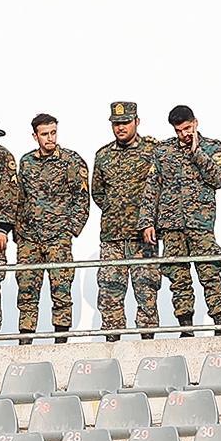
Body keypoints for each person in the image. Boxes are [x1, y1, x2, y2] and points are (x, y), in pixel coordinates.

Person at [151, 105, 221, 335]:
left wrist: (197, 152)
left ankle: (220, 324)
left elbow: (219, 177)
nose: (184, 134)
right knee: (178, 278)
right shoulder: (163, 151)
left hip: (200, 224)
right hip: (172, 225)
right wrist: (147, 221)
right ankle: (186, 327)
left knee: (210, 273)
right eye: (179, 130)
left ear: (196, 122)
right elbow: (152, 186)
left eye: (187, 128)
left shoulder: (212, 147)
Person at [16, 114, 91, 339]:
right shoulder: (26, 162)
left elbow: (82, 198)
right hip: (29, 238)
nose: (50, 138)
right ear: (35, 136)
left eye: (53, 133)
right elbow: (20, 198)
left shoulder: (71, 160)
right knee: (26, 290)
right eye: (44, 134)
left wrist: (70, 230)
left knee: (61, 290)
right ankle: (26, 338)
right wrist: (19, 233)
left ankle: (61, 339)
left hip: (58, 237)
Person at [93, 101, 159, 339]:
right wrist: (115, 211)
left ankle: (148, 343)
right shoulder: (103, 155)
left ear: (137, 122)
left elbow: (160, 187)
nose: (120, 128)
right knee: (110, 293)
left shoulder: (153, 151)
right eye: (116, 123)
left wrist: (146, 218)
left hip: (143, 236)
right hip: (112, 237)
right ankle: (112, 343)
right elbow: (98, 192)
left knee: (147, 291)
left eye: (125, 123)